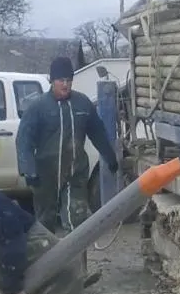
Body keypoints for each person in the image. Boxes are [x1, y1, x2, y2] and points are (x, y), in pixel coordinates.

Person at [17, 55, 120, 236]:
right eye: (60, 80)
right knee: (45, 222)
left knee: (77, 221)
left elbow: (97, 132)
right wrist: (29, 170)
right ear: (52, 81)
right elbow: (24, 140)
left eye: (68, 80)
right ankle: (47, 263)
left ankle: (79, 263)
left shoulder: (82, 104)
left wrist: (109, 157)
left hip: (75, 172)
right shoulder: (38, 107)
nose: (65, 85)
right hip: (45, 175)